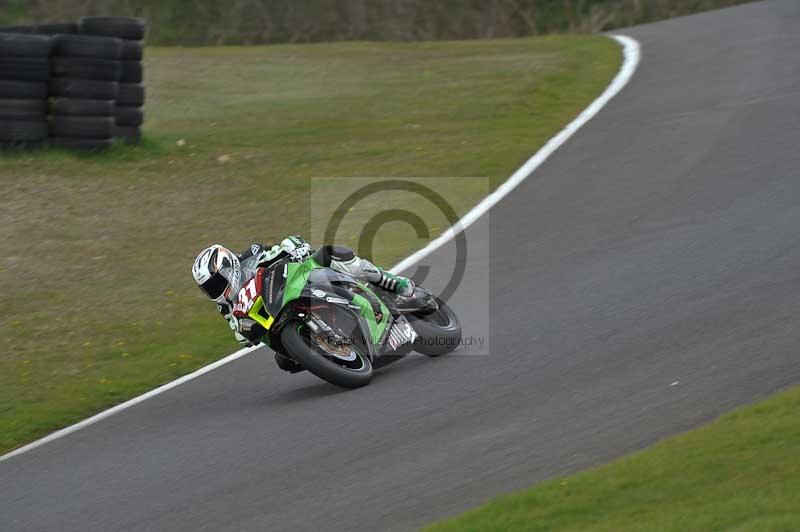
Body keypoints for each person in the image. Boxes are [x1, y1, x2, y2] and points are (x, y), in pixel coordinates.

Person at [191, 236, 414, 370]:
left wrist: (294, 247)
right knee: (284, 362)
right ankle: (331, 350)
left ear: (229, 266)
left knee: (330, 253)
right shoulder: (225, 306)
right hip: (278, 316)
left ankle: (392, 282)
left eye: (217, 281)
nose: (216, 289)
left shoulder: (251, 255)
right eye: (209, 287)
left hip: (300, 280)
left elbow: (281, 247)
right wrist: (243, 334)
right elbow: (238, 330)